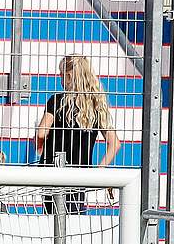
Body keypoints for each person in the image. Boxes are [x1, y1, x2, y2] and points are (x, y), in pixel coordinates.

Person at [35, 54, 121, 214]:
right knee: (74, 218)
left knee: (52, 219)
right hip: (80, 174)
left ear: (68, 76)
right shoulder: (96, 104)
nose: (60, 78)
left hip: (52, 171)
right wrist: (99, 170)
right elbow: (114, 143)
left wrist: (40, 147)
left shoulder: (56, 101)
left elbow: (41, 132)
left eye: (61, 74)